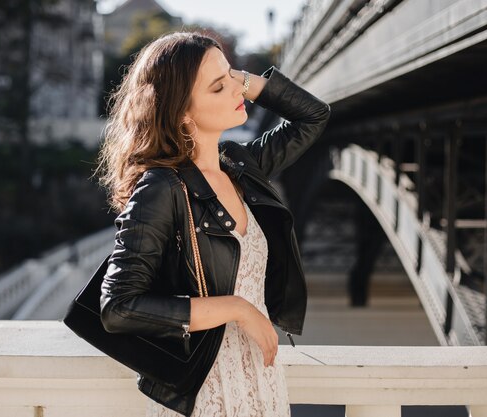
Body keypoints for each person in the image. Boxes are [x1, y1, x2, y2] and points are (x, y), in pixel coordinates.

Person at [96, 31, 331, 417]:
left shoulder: (240, 167)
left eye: (234, 76)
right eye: (219, 86)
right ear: (183, 112)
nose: (237, 88)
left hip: (260, 379)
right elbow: (118, 306)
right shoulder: (161, 188)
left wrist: (235, 75)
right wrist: (238, 308)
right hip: (205, 391)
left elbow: (314, 115)